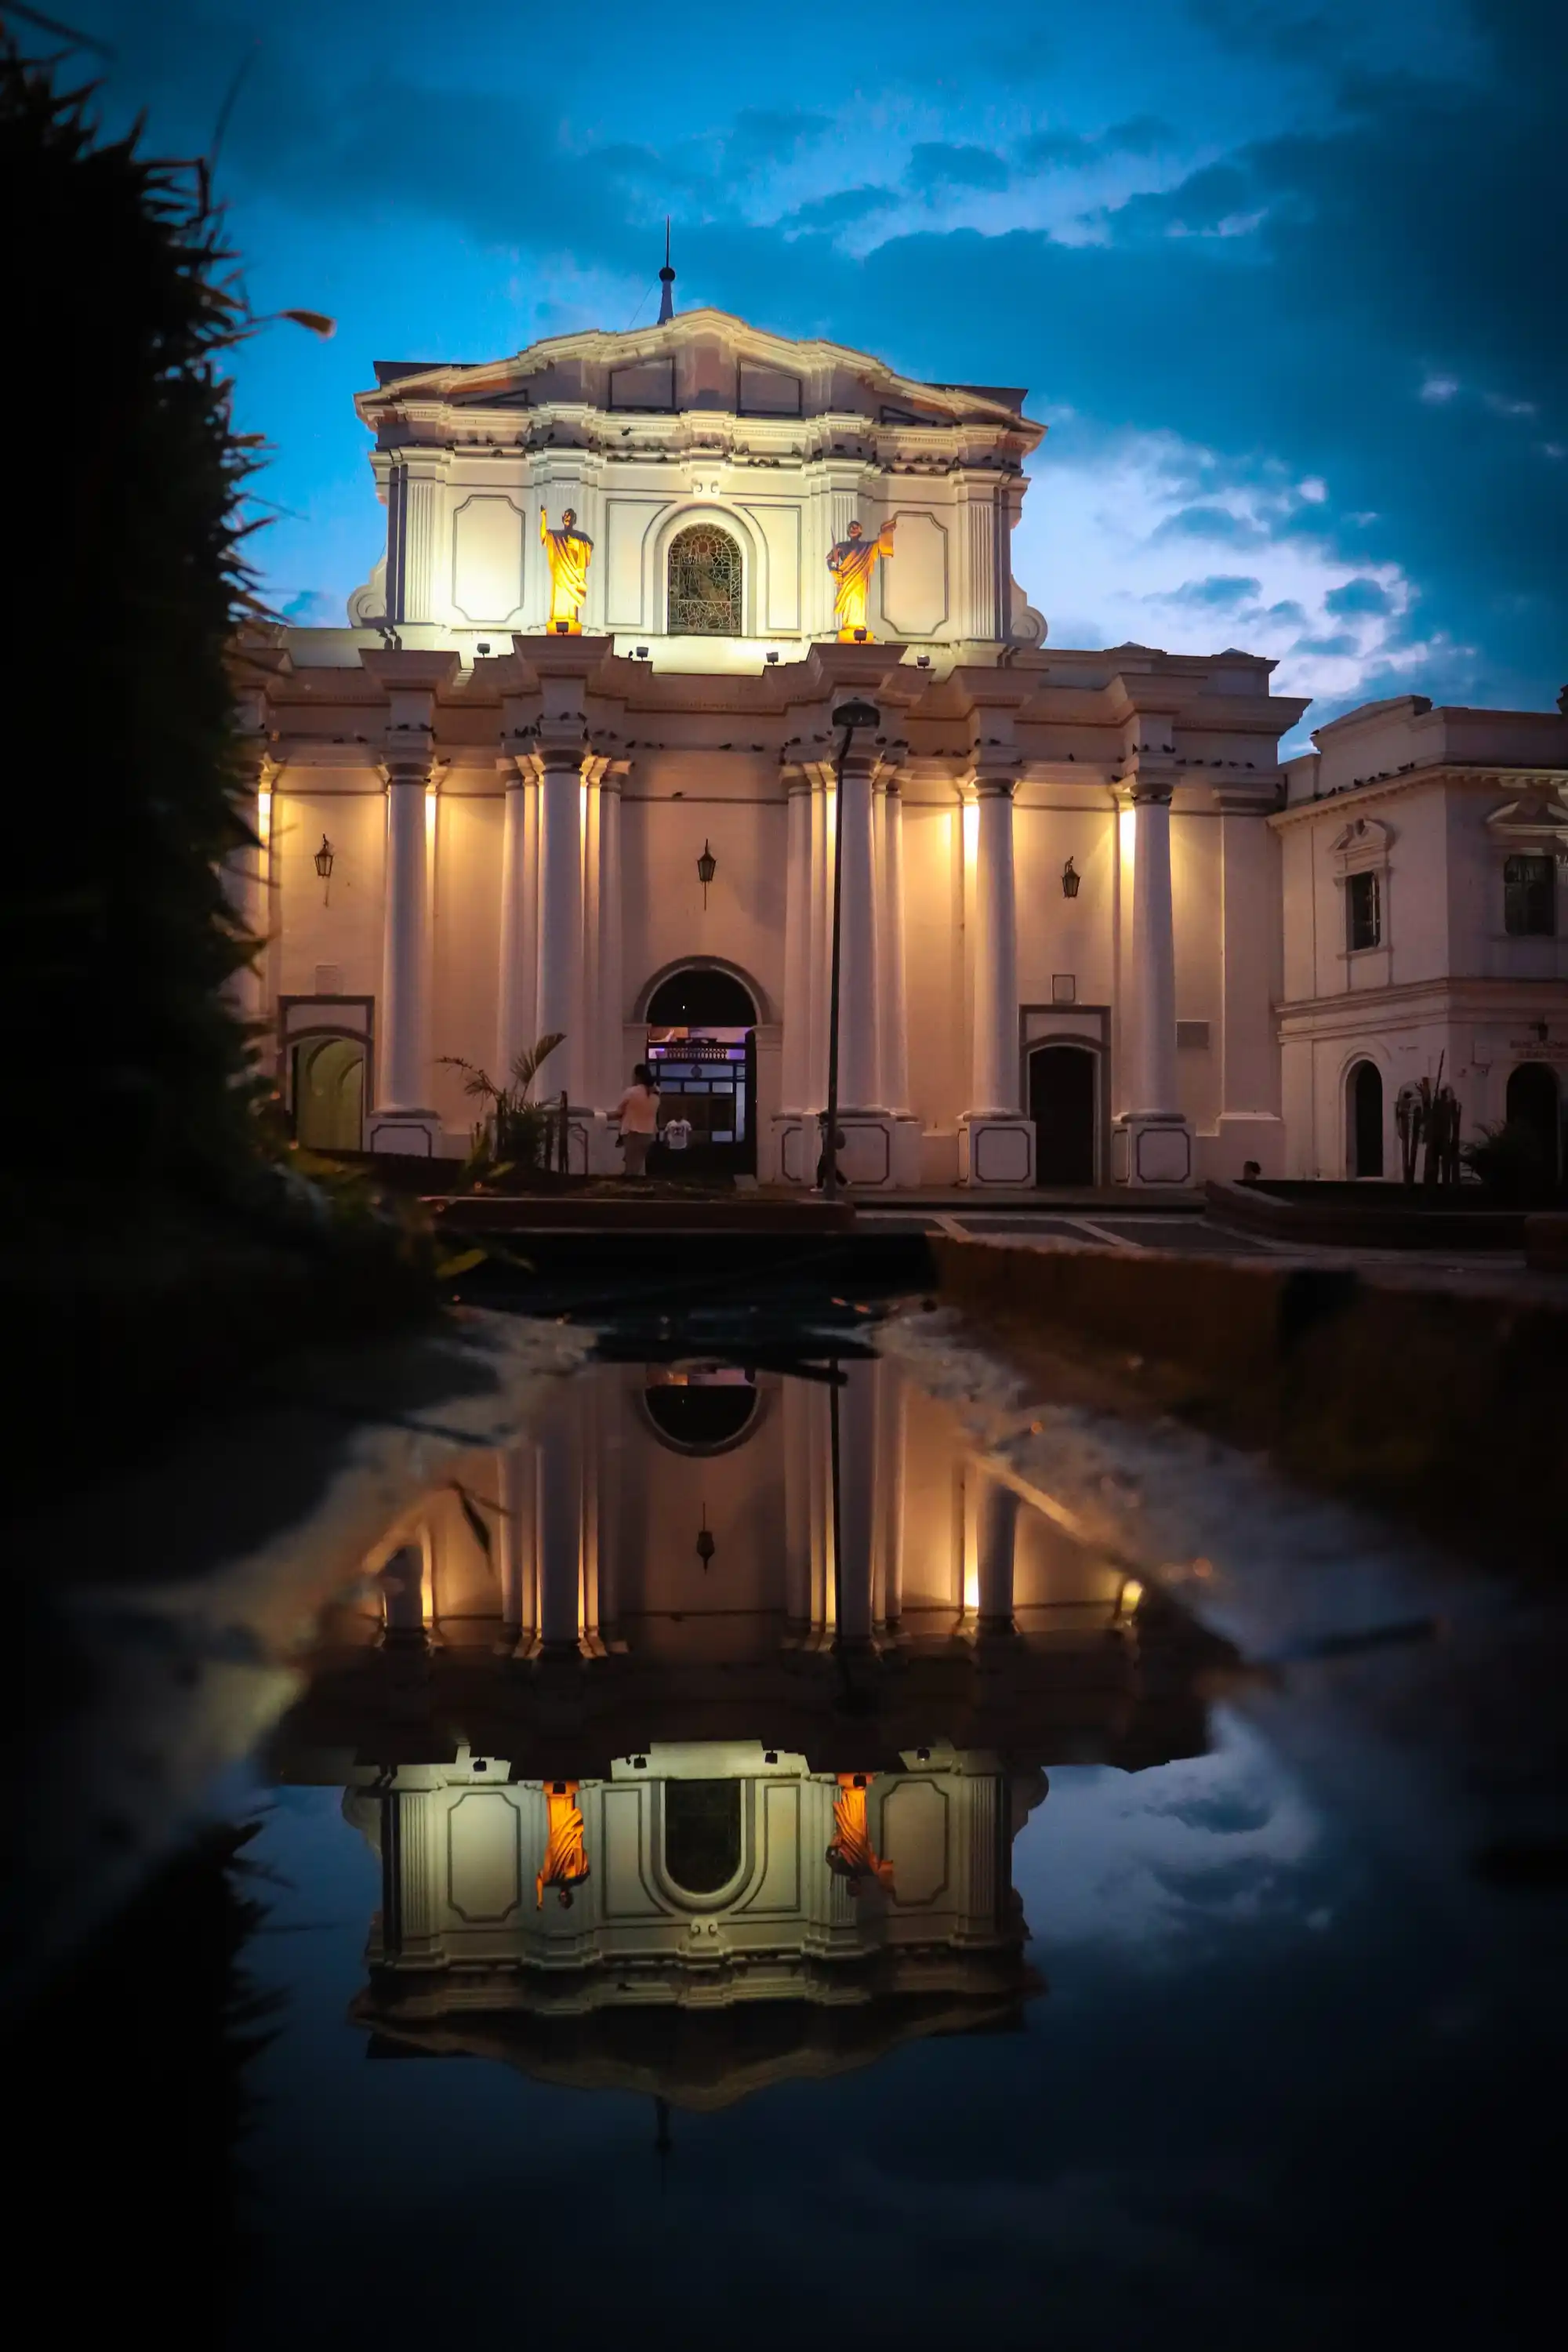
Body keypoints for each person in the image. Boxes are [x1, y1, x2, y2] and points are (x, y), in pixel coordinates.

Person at [615, 1062, 659, 1177]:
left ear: (637, 1076)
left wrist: (602, 1115)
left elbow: (619, 1112)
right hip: (648, 1132)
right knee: (639, 1162)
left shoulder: (631, 1092)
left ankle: (631, 1188)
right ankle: (640, 1187)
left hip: (632, 1131)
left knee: (631, 1164)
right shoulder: (656, 1093)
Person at [815, 1116, 848, 1191]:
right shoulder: (831, 1127)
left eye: (820, 1118)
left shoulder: (826, 1128)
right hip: (830, 1152)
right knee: (831, 1169)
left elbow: (826, 1141)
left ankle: (820, 1186)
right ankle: (845, 1182)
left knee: (821, 1170)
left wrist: (825, 1152)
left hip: (827, 1152)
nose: (819, 1120)